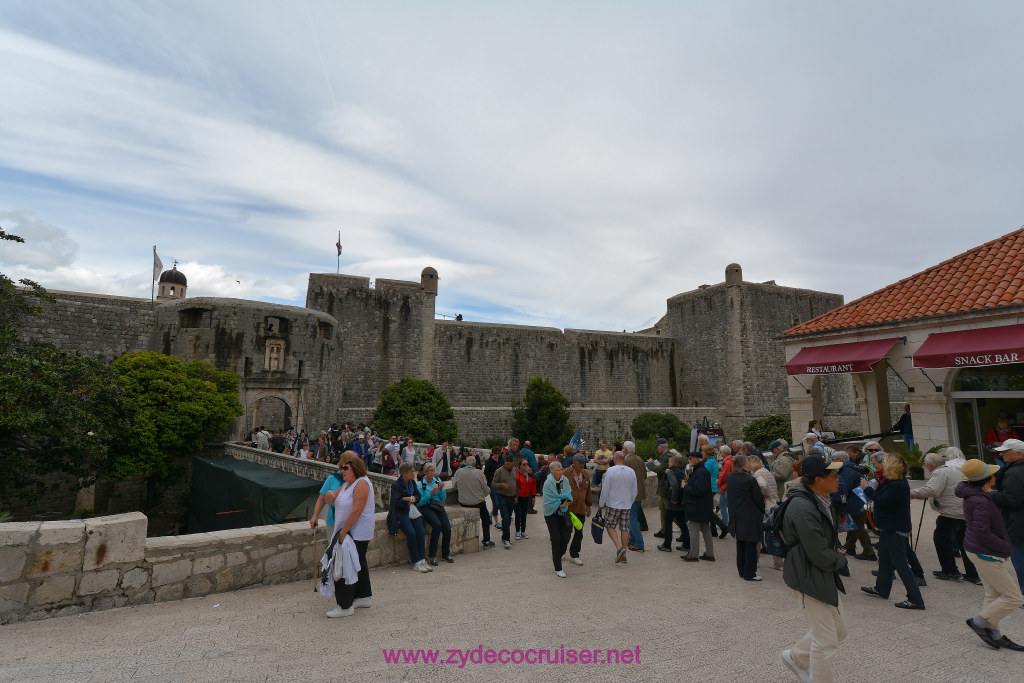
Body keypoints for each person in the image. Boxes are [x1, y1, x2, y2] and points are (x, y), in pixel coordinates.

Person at [779, 454, 847, 683]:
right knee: (825, 640)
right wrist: (839, 560)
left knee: (839, 631)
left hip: (820, 570)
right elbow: (817, 551)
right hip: (807, 573)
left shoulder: (821, 498)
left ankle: (796, 657)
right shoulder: (802, 506)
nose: (838, 478)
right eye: (833, 475)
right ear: (818, 479)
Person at [958, 458, 1024, 650]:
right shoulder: (981, 501)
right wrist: (1005, 546)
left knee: (993, 594)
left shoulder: (977, 495)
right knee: (1014, 597)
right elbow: (982, 532)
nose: (995, 475)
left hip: (978, 550)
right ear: (986, 479)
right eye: (992, 474)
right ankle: (979, 622)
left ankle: (994, 634)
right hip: (985, 552)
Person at [861, 453, 925, 609]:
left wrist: (866, 488)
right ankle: (882, 588)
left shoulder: (898, 484)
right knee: (884, 558)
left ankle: (916, 599)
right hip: (887, 526)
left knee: (900, 564)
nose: (881, 465)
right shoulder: (891, 481)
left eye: (884, 462)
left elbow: (882, 501)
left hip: (894, 527)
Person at [910, 448, 980, 583]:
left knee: (942, 541)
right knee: (965, 544)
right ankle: (973, 574)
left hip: (950, 514)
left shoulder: (943, 471)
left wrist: (911, 493)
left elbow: (931, 490)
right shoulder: (966, 469)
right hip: (966, 512)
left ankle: (950, 571)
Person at [322, 453, 375, 617]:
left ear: (355, 469)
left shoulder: (361, 483)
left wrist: (342, 534)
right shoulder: (347, 484)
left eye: (345, 468)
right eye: (341, 468)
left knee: (344, 565)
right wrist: (329, 494)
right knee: (359, 563)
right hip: (349, 531)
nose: (342, 471)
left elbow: (357, 511)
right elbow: (330, 500)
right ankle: (363, 597)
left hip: (355, 532)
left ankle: (345, 606)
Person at [990, 438, 1024, 595]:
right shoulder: (1015, 470)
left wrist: (991, 495)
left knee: (1020, 560)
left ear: (1019, 454)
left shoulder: (1015, 473)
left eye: (1005, 451)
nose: (1002, 454)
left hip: (1018, 524)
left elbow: (1011, 500)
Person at [726, 454, 765, 581]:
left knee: (741, 543)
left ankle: (742, 570)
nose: (750, 465)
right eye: (747, 463)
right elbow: (758, 498)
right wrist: (762, 510)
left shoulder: (730, 477)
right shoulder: (749, 479)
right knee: (751, 545)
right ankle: (750, 573)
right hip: (750, 514)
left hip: (737, 514)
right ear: (742, 465)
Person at [386, 463, 429, 573]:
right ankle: (416, 561)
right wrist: (411, 499)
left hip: (413, 510)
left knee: (421, 532)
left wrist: (408, 499)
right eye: (411, 471)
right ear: (405, 473)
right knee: (411, 533)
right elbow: (396, 501)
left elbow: (418, 496)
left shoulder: (412, 483)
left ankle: (422, 559)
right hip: (402, 512)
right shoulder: (396, 485)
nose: (413, 473)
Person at [837, 445, 876, 561]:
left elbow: (845, 488)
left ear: (840, 460)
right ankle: (849, 546)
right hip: (858, 500)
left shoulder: (847, 470)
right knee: (854, 525)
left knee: (858, 527)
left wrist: (840, 502)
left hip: (855, 502)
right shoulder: (850, 467)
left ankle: (869, 552)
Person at [598, 452, 637, 564]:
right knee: (624, 528)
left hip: (613, 504)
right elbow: (635, 490)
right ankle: (624, 555)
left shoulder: (610, 471)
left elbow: (605, 489)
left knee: (610, 526)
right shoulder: (631, 471)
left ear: (615, 459)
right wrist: (630, 502)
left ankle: (619, 548)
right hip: (626, 504)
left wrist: (601, 504)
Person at [452, 456, 494, 549]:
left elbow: (454, 485)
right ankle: (486, 540)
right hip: (477, 502)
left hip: (463, 502)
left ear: (465, 463)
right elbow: (486, 489)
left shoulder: (459, 472)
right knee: (486, 518)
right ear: (475, 464)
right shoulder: (479, 473)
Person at [749, 454, 782, 570]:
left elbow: (762, 485)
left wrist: (758, 495)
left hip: (766, 506)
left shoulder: (758, 474)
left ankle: (755, 561)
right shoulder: (765, 471)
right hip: (773, 504)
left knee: (758, 535)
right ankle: (778, 563)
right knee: (774, 535)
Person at [543, 462, 575, 577]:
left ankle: (560, 553)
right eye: (558, 470)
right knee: (556, 539)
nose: (561, 472)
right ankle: (558, 567)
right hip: (551, 514)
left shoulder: (565, 480)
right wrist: (560, 504)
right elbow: (548, 500)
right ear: (552, 472)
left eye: (561, 469)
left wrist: (566, 501)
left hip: (564, 512)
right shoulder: (548, 483)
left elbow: (569, 493)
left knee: (567, 535)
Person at [682, 450, 715, 563]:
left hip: (697, 507)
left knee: (694, 530)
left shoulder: (700, 472)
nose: (689, 460)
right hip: (703, 506)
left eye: (690, 458)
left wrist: (685, 486)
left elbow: (698, 490)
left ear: (697, 459)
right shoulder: (701, 470)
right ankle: (709, 554)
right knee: (705, 530)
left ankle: (693, 554)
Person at [417, 464, 453, 566]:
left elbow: (443, 497)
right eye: (430, 470)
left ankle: (446, 554)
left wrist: (441, 490)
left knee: (447, 528)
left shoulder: (437, 481)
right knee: (437, 525)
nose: (432, 473)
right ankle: (432, 555)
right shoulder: (421, 485)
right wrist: (430, 493)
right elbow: (420, 503)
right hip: (427, 507)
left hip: (437, 506)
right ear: (425, 472)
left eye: (433, 470)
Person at [565, 453, 592, 565]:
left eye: (583, 462)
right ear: (574, 462)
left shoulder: (585, 474)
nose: (582, 464)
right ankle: (561, 551)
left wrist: (588, 505)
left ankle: (574, 555)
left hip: (580, 508)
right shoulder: (565, 473)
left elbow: (588, 491)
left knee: (579, 532)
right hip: (568, 509)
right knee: (566, 532)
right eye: (580, 462)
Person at [657, 455, 688, 552]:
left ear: (673, 463)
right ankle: (687, 544)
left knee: (668, 522)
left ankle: (667, 545)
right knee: (682, 522)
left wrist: (674, 498)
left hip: (674, 501)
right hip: (682, 500)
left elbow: (674, 485)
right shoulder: (682, 471)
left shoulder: (671, 472)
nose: (668, 463)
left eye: (670, 462)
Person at [310, 461, 345, 540]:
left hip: (348, 522)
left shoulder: (356, 480)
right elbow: (321, 500)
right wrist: (315, 516)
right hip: (332, 521)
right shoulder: (332, 478)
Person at [623, 441, 647, 552]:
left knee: (632, 519)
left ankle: (639, 543)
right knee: (632, 517)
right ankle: (632, 540)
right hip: (640, 492)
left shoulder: (626, 461)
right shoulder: (639, 459)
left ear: (626, 449)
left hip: (631, 493)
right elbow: (645, 475)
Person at [492, 454, 519, 549]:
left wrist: (516, 496)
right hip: (502, 497)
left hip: (512, 498)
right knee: (506, 517)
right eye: (507, 460)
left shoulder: (515, 470)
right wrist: (502, 485)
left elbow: (516, 484)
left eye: (510, 461)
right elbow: (493, 484)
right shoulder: (499, 471)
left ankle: (504, 536)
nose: (508, 462)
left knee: (508, 518)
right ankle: (507, 539)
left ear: (513, 462)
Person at [646, 438, 672, 539]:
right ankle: (663, 530)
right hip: (663, 486)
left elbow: (659, 469)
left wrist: (650, 463)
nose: (657, 448)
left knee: (669, 509)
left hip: (665, 487)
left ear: (661, 446)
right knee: (663, 509)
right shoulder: (666, 456)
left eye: (657, 447)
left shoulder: (667, 457)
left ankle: (683, 530)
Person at [703, 444, 728, 539]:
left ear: (707, 453)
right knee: (708, 509)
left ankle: (723, 527)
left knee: (707, 510)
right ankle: (713, 530)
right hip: (711, 486)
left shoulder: (710, 462)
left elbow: (703, 472)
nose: (702, 453)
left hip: (708, 486)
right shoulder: (712, 460)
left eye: (703, 452)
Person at [514, 458, 537, 540]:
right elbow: (515, 486)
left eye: (527, 464)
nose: (526, 466)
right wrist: (515, 497)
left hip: (527, 496)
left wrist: (533, 496)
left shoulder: (529, 473)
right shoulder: (516, 473)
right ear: (520, 465)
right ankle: (517, 531)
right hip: (518, 497)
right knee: (518, 515)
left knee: (524, 514)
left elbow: (533, 485)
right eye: (524, 464)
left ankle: (523, 531)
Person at [717, 445, 734, 533]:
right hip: (728, 485)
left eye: (721, 452)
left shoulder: (727, 462)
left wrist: (718, 483)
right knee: (725, 505)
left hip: (725, 486)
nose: (720, 453)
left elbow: (723, 475)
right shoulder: (730, 460)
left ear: (724, 452)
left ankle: (725, 523)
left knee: (722, 505)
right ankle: (727, 522)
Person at [484, 446, 503, 522]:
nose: (497, 455)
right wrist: (488, 485)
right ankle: (496, 520)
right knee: (496, 503)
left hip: (500, 484)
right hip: (492, 484)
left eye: (498, 453)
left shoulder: (501, 460)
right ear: (492, 453)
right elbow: (486, 474)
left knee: (500, 503)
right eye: (495, 453)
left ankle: (491, 514)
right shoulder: (488, 462)